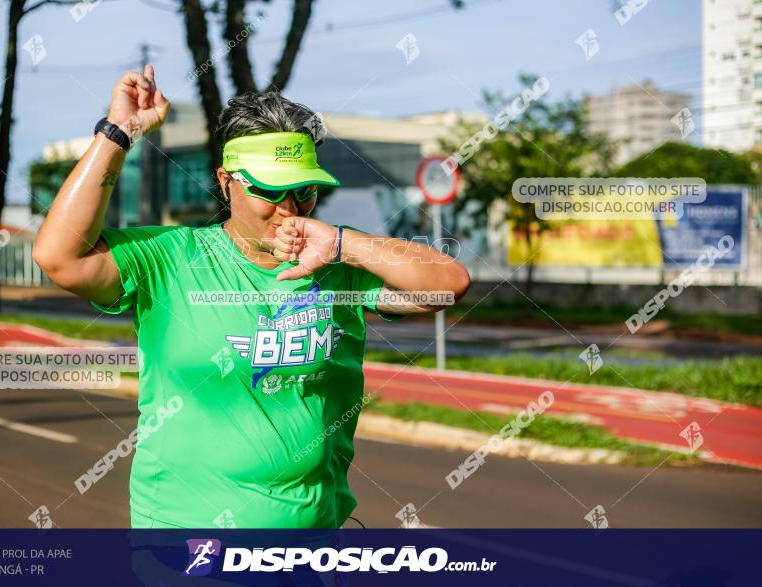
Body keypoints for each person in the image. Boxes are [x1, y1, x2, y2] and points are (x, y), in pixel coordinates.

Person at [33, 64, 471, 528]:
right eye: (268, 189)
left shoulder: (337, 264)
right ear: (226, 182)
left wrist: (344, 244)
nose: (289, 209)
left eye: (304, 191)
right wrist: (120, 132)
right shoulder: (171, 259)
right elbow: (59, 257)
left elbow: (448, 285)